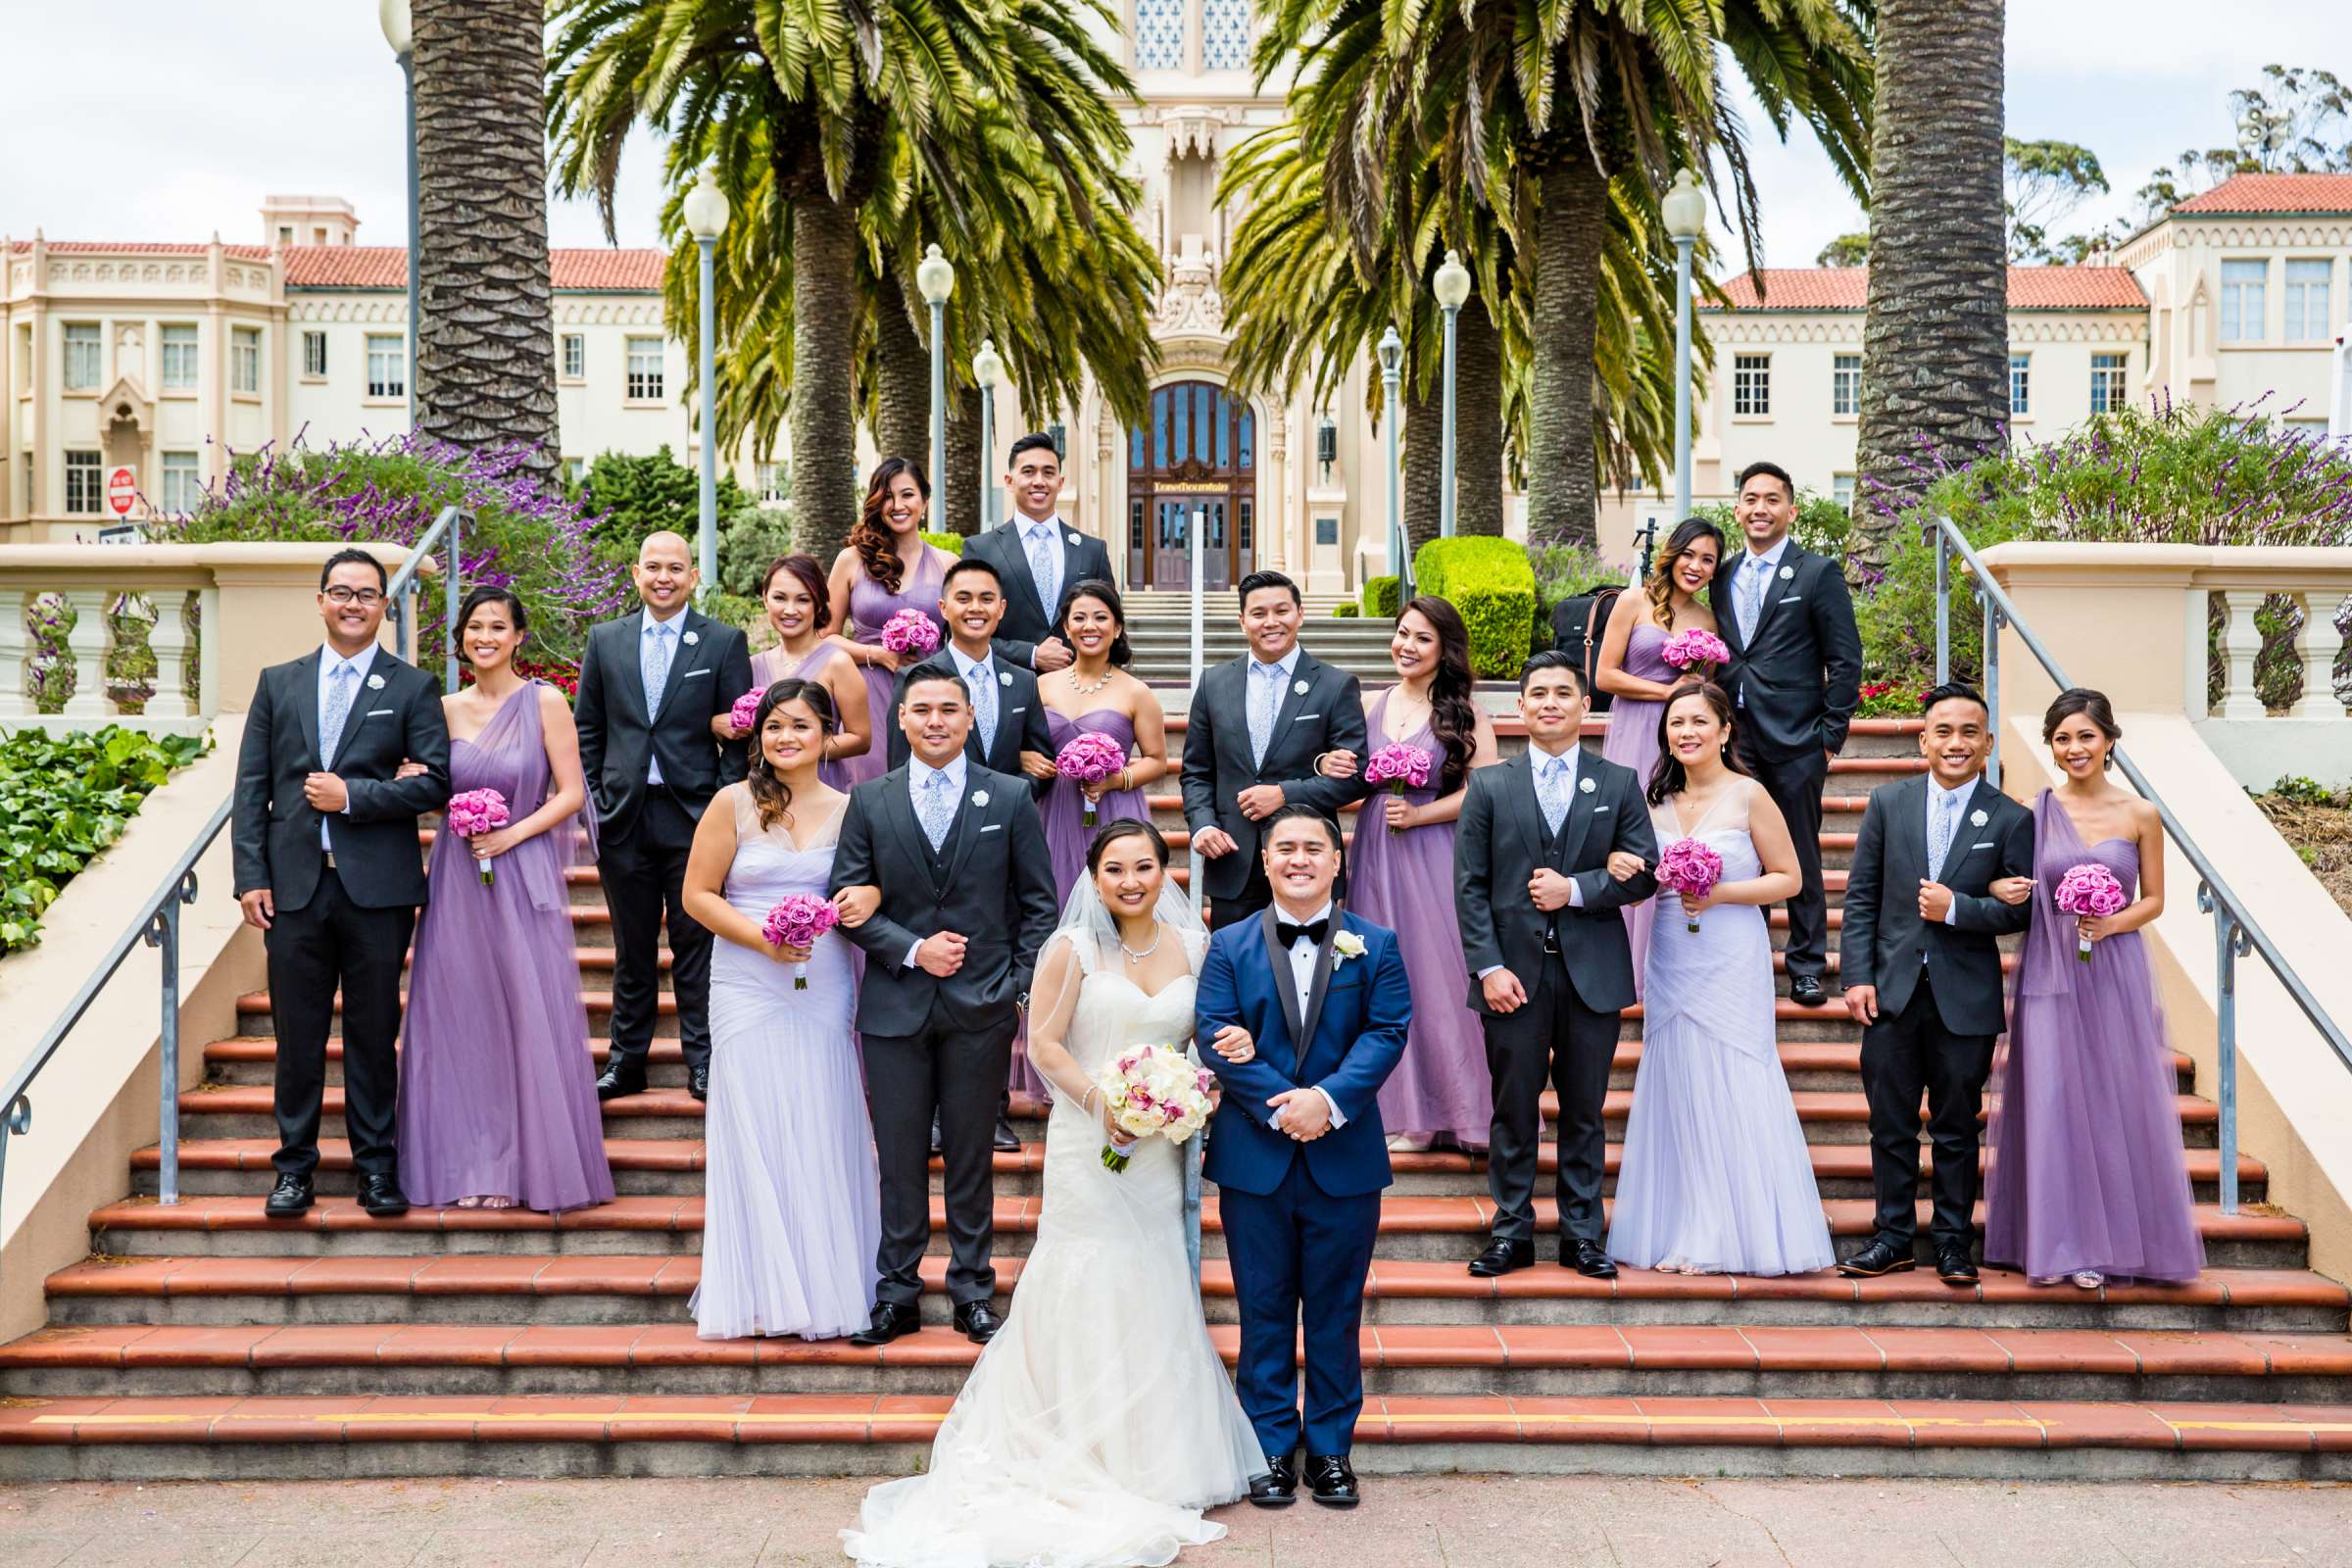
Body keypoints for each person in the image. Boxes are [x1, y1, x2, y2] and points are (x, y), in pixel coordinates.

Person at [844, 820, 1264, 1565]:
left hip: (1160, 1147)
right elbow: (1044, 1043)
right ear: (1094, 879)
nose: (1131, 881)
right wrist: (1109, 1108)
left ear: (1164, 872)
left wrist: (1195, 1082)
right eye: (1114, 869)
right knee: (1086, 1269)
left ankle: (1151, 1451)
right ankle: (1072, 1437)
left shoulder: (1195, 948)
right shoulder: (1071, 950)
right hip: (1089, 1135)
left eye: (1144, 867)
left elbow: (1207, 1034)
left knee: (1153, 1274)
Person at [830, 670, 1060, 1348]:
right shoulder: (868, 800)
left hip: (981, 1008)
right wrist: (910, 950)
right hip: (893, 1007)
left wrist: (1014, 987)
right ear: (901, 719)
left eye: (948, 710)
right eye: (922, 709)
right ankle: (897, 1294)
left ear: (969, 720)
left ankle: (971, 1291)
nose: (935, 720)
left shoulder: (1011, 796)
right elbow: (846, 901)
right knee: (899, 1158)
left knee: (969, 1158)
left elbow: (1039, 906)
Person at [1197, 805, 1411, 1509]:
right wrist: (1283, 1106)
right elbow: (1214, 1032)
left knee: (1334, 1310)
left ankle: (1329, 1450)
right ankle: (1266, 1446)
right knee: (1261, 1309)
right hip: (1254, 1159)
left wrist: (1327, 1100)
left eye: (1312, 848)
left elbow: (1386, 1032)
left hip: (1344, 1157)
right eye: (1283, 847)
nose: (1297, 859)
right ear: (1263, 861)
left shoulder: (1374, 945)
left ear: (1336, 858)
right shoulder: (1227, 945)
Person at [230, 547, 451, 1219]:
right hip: (294, 889)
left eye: (367, 594)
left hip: (377, 892)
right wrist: (250, 877)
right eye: (341, 592)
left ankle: (376, 1169)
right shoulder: (279, 683)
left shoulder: (411, 687)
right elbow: (252, 789)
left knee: (372, 1030)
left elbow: (437, 784)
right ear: (321, 601)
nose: (353, 604)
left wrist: (352, 796)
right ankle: (293, 1169)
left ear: (385, 606)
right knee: (296, 1037)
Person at [394, 587, 613, 1214]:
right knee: (461, 1016)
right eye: (474, 627)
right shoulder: (438, 708)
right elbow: (432, 787)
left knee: (523, 1010)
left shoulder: (545, 701)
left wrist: (509, 834)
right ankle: (470, 1163)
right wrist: (423, 791)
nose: (484, 636)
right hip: (458, 878)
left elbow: (572, 793)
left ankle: (526, 1165)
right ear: (460, 638)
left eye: (497, 627)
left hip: (519, 871)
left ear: (519, 637)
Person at [1606, 681, 1836, 1277]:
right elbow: (1636, 874)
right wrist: (1626, 868)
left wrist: (1719, 893)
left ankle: (1734, 1231)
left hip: (1732, 951)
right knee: (1678, 1074)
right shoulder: (1651, 799)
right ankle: (1681, 1222)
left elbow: (1790, 879)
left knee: (1734, 1069)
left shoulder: (1750, 795)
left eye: (1699, 722)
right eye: (1676, 722)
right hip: (1671, 954)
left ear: (1725, 729)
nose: (1686, 732)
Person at [1983, 688, 2205, 1289]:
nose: (2073, 748)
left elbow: (2155, 901)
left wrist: (2111, 922)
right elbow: (2010, 880)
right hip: (2050, 969)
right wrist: (2006, 889)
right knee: (2053, 1098)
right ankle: (2058, 1241)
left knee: (2111, 1098)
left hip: (2113, 968)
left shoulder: (2141, 815)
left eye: (2085, 736)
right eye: (2062, 738)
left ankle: (2112, 1242)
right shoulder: (2034, 810)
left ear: (2108, 740)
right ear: (2051, 747)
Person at [680, 679, 881, 1339]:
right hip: (745, 977)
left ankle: (825, 1285)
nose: (785, 737)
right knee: (755, 1118)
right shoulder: (732, 803)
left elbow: (870, 885)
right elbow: (698, 896)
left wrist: (866, 901)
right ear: (757, 738)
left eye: (799, 725)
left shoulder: (855, 808)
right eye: (773, 727)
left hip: (821, 978)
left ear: (827, 735)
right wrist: (764, 940)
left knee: (820, 1112)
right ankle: (758, 1289)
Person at [1454, 653, 1656, 1279]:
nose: (1549, 702)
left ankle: (1581, 1234)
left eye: (1563, 693)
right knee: (1513, 1108)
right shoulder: (1489, 786)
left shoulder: (1618, 782)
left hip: (1590, 974)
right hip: (1511, 978)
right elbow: (1470, 886)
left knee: (1584, 1109)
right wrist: (1488, 967)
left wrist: (1578, 889)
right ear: (1519, 708)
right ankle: (1510, 1232)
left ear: (1584, 705)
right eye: (1537, 693)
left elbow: (1645, 871)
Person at [1838, 683, 2035, 1285]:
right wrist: (1856, 977)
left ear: (1987, 743)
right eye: (1943, 732)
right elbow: (1863, 895)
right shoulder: (1888, 804)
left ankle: (1953, 1242)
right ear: (1923, 740)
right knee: (1890, 1123)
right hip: (1893, 992)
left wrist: (1958, 909)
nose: (1955, 743)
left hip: (1965, 1000)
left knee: (1956, 1126)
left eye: (1968, 732)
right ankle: (1892, 1237)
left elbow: (2023, 912)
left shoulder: (2011, 819)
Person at [574, 530, 755, 1103]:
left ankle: (702, 1062)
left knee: (695, 943)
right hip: (623, 814)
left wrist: (719, 805)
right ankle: (627, 1061)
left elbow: (739, 734)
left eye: (675, 568)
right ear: (635, 573)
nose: (664, 577)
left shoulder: (723, 642)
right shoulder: (605, 640)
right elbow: (589, 727)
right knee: (632, 947)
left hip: (693, 816)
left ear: (693, 576)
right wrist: (598, 797)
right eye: (653, 567)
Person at [1314, 596, 1500, 1152]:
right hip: (1376, 847)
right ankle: (1401, 1110)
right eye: (1401, 633)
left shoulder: (1465, 711)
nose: (1407, 646)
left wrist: (1421, 812)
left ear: (1444, 648)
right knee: (1379, 976)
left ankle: (1453, 1110)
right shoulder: (1370, 701)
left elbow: (1483, 789)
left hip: (1435, 848)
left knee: (1435, 972)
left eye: (1422, 637)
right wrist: (1330, 765)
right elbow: (1345, 770)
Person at [886, 555, 1056, 1147]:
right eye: (965, 598)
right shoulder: (919, 679)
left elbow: (1037, 762)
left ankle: (992, 1111)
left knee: (991, 982)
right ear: (944, 607)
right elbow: (894, 772)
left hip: (996, 848)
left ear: (1002, 609)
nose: (976, 608)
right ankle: (933, 1115)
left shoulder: (1021, 680)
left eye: (988, 598)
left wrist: (1028, 776)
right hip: (926, 850)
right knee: (931, 989)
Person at [1709, 461, 1861, 1008]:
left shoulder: (1817, 573)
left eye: (1772, 499)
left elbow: (1845, 659)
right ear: (1737, 509)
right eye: (1751, 499)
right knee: (1741, 852)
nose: (1760, 509)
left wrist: (1830, 735)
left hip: (1799, 739)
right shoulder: (1722, 575)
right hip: (1735, 737)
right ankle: (1746, 962)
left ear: (1790, 510)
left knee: (1798, 851)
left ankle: (1805, 965)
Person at [1182, 570, 1369, 929]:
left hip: (1307, 857)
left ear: (1300, 613)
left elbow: (1356, 777)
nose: (1271, 622)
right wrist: (1203, 824)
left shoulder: (1335, 685)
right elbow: (1197, 772)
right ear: (1242, 621)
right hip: (1232, 857)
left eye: (1281, 611)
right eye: (1258, 613)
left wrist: (1284, 794)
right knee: (1236, 970)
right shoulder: (1213, 683)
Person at [1595, 517, 1725, 994]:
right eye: (1690, 554)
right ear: (1673, 553)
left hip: (1681, 739)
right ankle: (1620, 959)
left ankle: (1663, 957)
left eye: (1707, 559)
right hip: (1634, 730)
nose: (1696, 566)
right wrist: (1664, 691)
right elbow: (1605, 677)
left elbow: (1704, 690)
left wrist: (1692, 695)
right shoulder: (1633, 601)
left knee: (1671, 834)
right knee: (1632, 833)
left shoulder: (1708, 622)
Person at [1035, 578, 1169, 901]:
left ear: (1117, 627)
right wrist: (1027, 758)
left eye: (1100, 617)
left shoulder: (1136, 692)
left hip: (1114, 805)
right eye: (1079, 618)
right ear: (1066, 629)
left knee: (1116, 899)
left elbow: (1157, 760)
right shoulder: (1041, 686)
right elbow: (1025, 744)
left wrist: (1113, 780)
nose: (1089, 626)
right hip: (1054, 805)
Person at [826, 458, 955, 787]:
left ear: (924, 502)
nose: (897, 505)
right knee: (870, 787)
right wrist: (878, 654)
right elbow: (825, 638)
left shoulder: (948, 564)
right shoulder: (852, 560)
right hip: (865, 694)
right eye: (887, 496)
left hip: (929, 692)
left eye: (907, 495)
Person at [957, 431, 1118, 673]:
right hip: (1007, 688)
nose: (1040, 481)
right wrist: (1031, 654)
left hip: (1079, 692)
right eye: (1029, 471)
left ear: (1060, 483)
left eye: (1049, 472)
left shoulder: (1092, 550)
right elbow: (963, 631)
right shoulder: (981, 549)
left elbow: (1111, 623)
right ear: (1009, 481)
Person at [723, 553, 870, 788]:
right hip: (766, 787)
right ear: (765, 599)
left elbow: (861, 739)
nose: (790, 610)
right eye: (780, 598)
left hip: (822, 784)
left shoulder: (838, 662)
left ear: (819, 603)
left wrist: (799, 748)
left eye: (803, 600)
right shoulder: (753, 664)